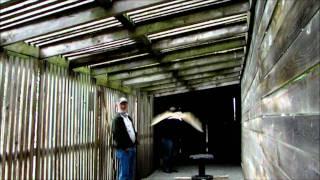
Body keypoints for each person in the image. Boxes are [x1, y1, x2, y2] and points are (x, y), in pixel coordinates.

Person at [112, 97, 138, 180]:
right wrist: (124, 147)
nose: (123, 106)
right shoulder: (117, 119)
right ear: (117, 105)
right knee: (124, 174)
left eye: (125, 104)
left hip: (131, 148)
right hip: (124, 150)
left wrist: (134, 143)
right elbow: (116, 135)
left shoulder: (128, 117)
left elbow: (131, 131)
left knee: (130, 173)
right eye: (121, 104)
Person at [158, 106, 182, 173]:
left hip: (174, 138)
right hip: (167, 138)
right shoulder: (166, 118)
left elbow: (179, 127)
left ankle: (170, 167)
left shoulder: (177, 118)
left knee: (173, 154)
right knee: (167, 154)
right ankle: (166, 168)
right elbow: (162, 128)